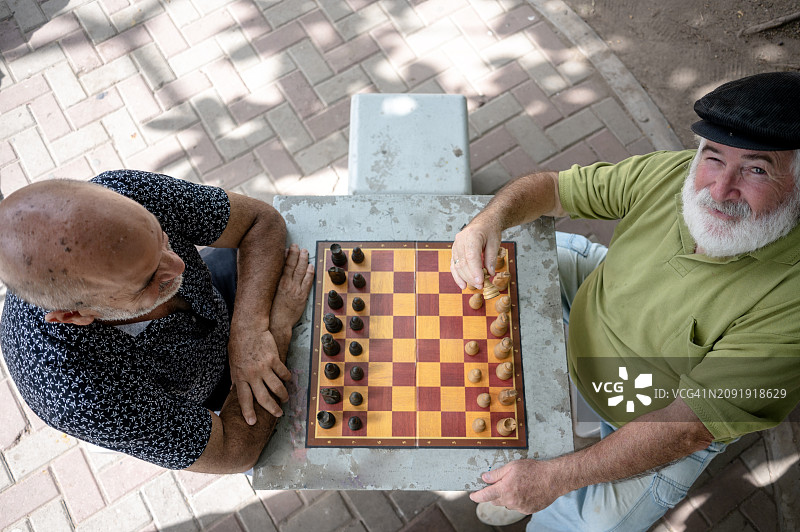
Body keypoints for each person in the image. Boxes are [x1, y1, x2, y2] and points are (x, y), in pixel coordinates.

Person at [451, 71, 800, 530]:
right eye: (714, 158)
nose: (719, 190)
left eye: (756, 169)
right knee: (479, 267)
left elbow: (687, 425)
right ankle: (520, 483)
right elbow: (554, 190)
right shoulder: (674, 174)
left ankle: (531, 491)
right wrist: (488, 221)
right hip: (595, 300)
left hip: (659, 418)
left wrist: (553, 479)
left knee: (582, 525)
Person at [0, 171, 314, 473]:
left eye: (162, 239)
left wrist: (249, 332)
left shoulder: (124, 190)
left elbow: (260, 222)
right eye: (150, 279)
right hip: (213, 396)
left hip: (232, 299)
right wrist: (277, 325)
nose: (178, 265)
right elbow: (234, 450)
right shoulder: (82, 393)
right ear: (75, 316)